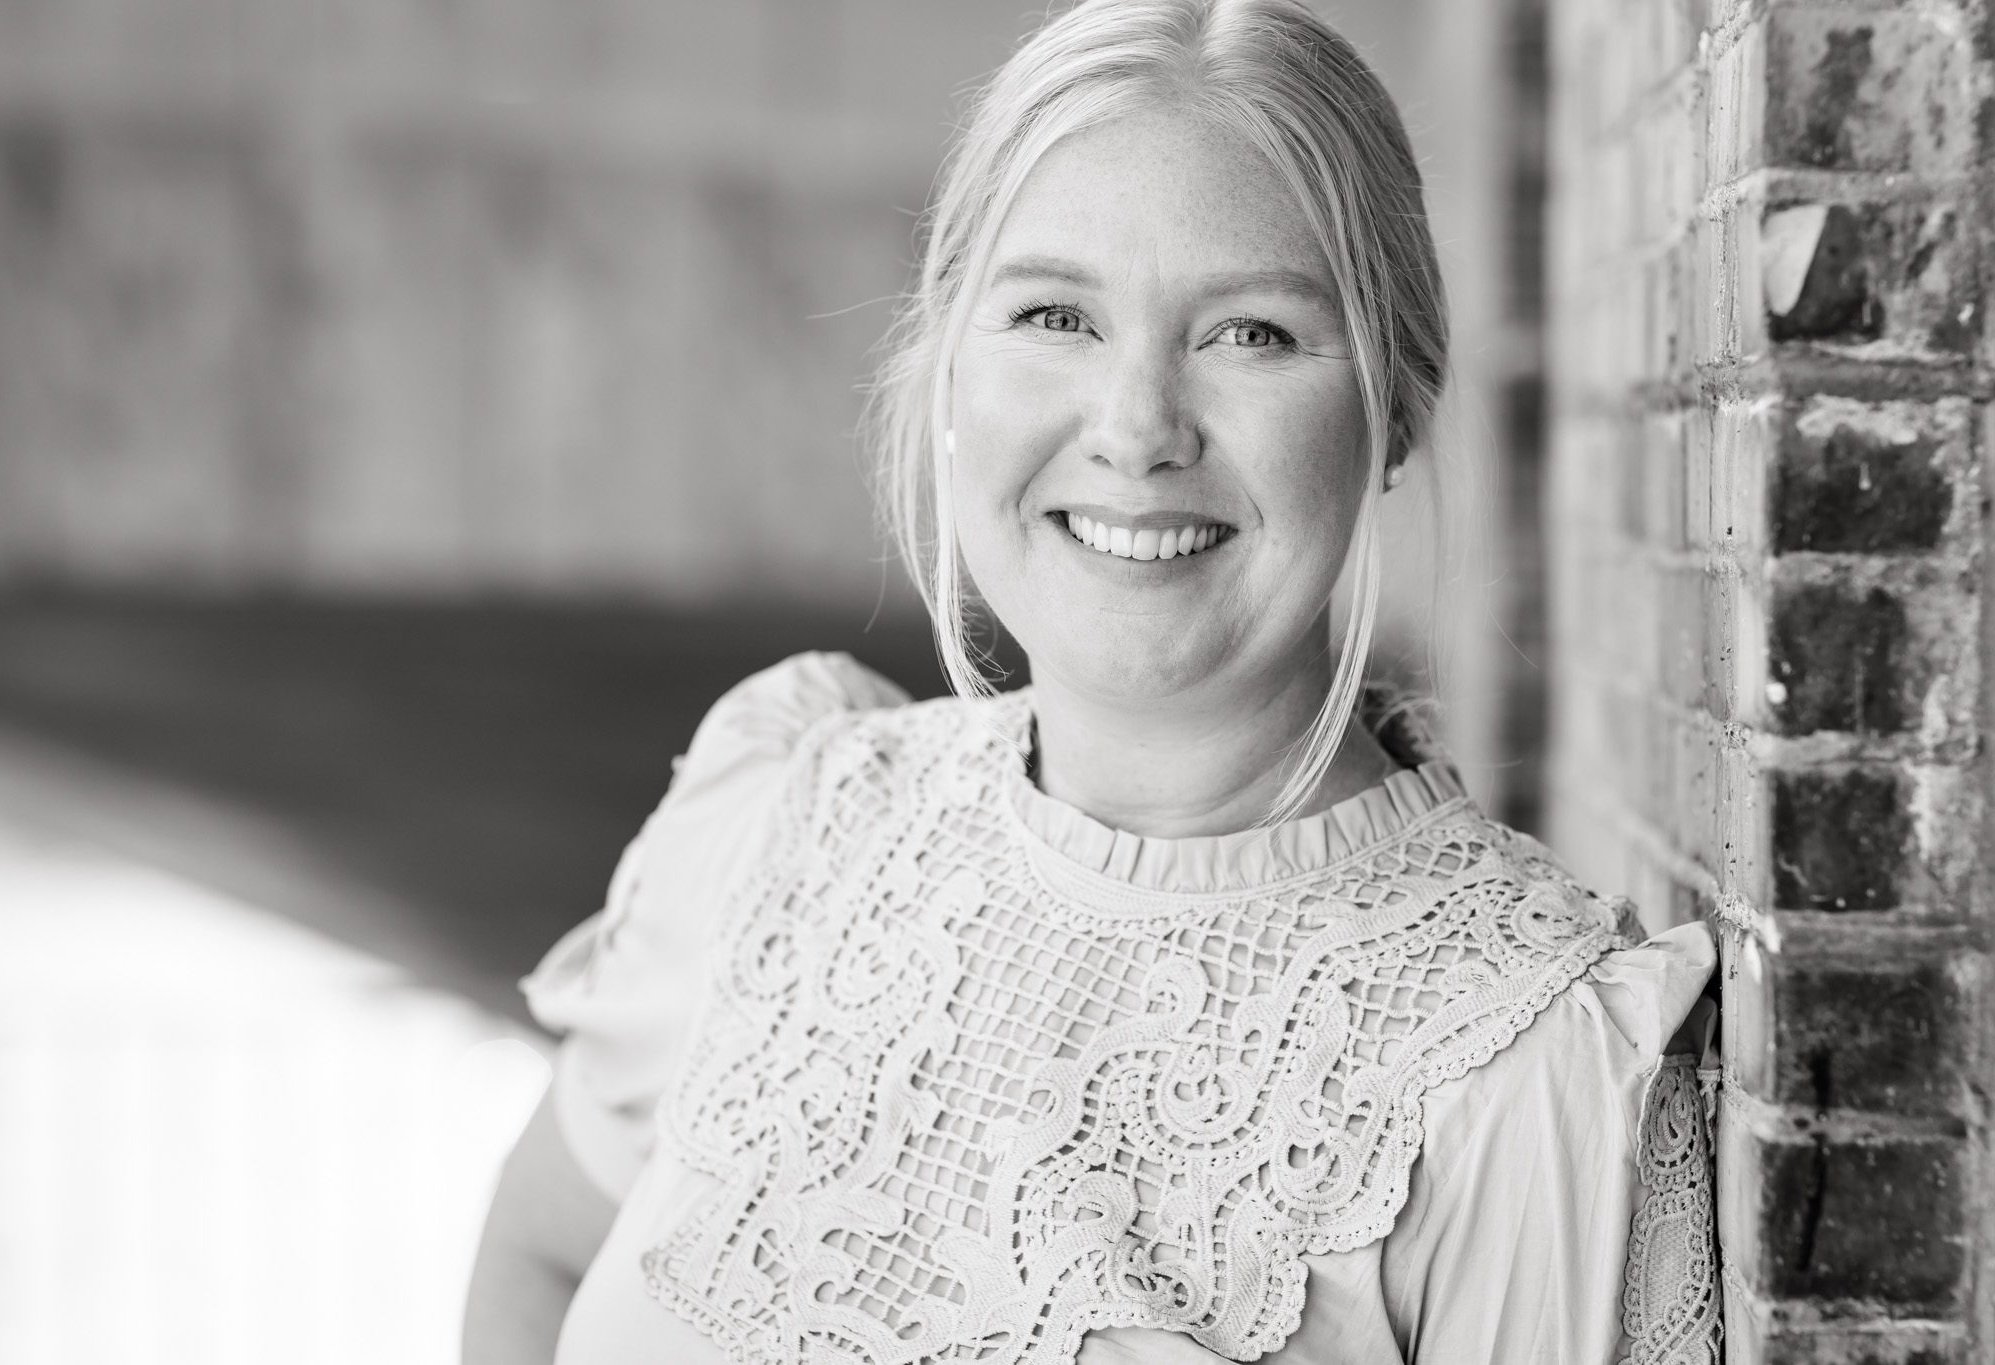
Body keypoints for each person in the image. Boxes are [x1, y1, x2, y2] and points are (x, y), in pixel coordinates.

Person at [462, 1, 1723, 1361]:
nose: (1135, 430)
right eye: (1056, 313)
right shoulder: (780, 828)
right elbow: (538, 1261)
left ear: (1395, 408)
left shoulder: (1524, 1063)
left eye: (1250, 332)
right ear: (950, 358)